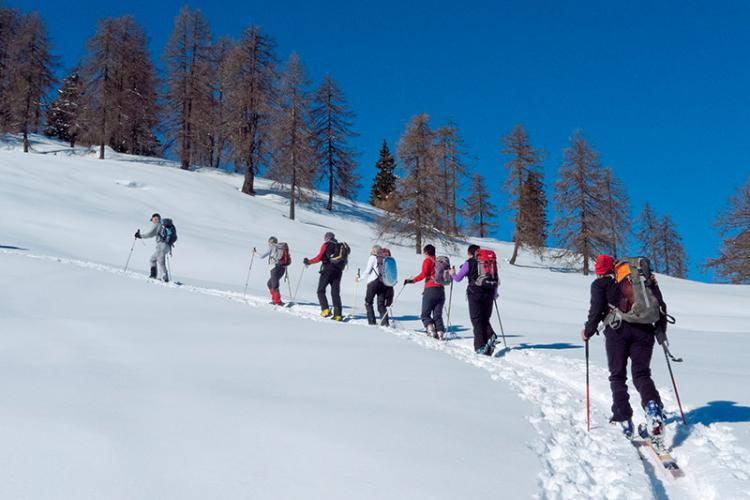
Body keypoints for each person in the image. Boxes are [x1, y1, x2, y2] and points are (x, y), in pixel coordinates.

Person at [582, 254, 667, 439]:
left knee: (618, 375)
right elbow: (660, 306)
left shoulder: (600, 284)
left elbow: (596, 310)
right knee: (642, 374)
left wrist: (588, 331)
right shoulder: (640, 280)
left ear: (598, 270)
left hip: (617, 330)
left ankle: (623, 418)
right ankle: (653, 408)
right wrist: (661, 332)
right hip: (645, 330)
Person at [450, 244, 498, 355]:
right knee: (484, 319)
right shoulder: (489, 262)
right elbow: (495, 278)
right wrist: (494, 294)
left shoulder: (469, 262)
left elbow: (458, 278)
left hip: (475, 293)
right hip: (489, 293)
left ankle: (481, 346)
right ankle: (488, 342)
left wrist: (452, 273)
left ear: (469, 253)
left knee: (476, 320)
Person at [404, 244, 445, 339]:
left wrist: (412, 280)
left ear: (426, 252)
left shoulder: (428, 261)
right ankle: (440, 333)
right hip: (441, 290)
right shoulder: (440, 262)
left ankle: (431, 330)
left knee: (425, 313)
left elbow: (424, 274)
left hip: (430, 289)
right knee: (437, 314)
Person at [303, 232, 345, 321]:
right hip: (338, 271)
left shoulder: (326, 245)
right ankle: (338, 315)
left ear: (327, 238)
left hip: (327, 270)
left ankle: (325, 310)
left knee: (320, 290)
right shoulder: (340, 247)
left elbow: (319, 257)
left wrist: (309, 262)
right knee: (335, 293)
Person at [361, 245, 394, 326]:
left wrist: (359, 279)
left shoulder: (372, 258)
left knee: (368, 302)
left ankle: (372, 322)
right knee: (381, 304)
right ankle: (385, 323)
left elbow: (368, 271)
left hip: (373, 282)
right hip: (383, 283)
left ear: (374, 251)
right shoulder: (385, 259)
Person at [135, 213, 170, 282]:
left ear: (156, 218)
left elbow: (150, 234)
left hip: (161, 245)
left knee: (161, 262)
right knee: (152, 259)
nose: (152, 221)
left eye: (153, 219)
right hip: (167, 246)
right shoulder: (163, 226)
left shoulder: (157, 224)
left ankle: (164, 278)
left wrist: (140, 236)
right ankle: (153, 275)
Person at [256, 236, 286, 305]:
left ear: (271, 242)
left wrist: (255, 253)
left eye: (269, 242)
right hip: (282, 269)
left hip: (274, 268)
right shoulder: (281, 248)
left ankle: (278, 301)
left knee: (274, 284)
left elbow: (261, 256)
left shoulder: (272, 247)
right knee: (270, 283)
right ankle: (274, 299)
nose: (268, 244)